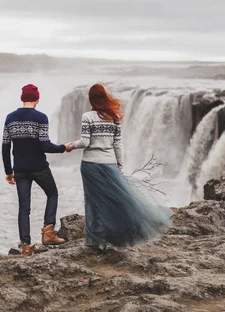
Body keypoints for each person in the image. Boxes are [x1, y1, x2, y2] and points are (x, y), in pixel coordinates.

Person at [66, 83, 170, 250]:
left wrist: (71, 145)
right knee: (112, 201)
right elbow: (118, 144)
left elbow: (85, 142)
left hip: (91, 165)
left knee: (92, 201)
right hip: (109, 163)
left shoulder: (88, 117)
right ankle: (113, 236)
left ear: (91, 99)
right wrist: (120, 166)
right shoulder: (114, 117)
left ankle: (94, 239)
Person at [2, 84, 72, 256]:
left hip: (19, 169)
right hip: (39, 167)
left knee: (24, 208)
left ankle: (26, 246)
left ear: (22, 98)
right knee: (52, 193)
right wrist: (64, 148)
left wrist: (8, 172)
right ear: (37, 99)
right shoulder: (41, 117)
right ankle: (48, 232)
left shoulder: (10, 118)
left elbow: (5, 147)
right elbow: (45, 145)